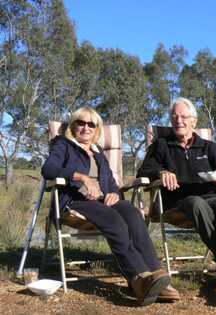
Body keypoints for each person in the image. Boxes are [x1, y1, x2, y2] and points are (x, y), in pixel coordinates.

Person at [41, 107, 180, 306]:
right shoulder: (63, 145)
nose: (86, 127)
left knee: (133, 213)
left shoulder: (99, 154)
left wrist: (115, 194)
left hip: (102, 201)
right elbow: (48, 169)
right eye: (81, 122)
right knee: (114, 219)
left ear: (97, 129)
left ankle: (156, 276)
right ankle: (138, 279)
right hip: (76, 200)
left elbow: (112, 185)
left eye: (92, 124)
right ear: (73, 126)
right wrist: (82, 178)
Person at [137, 97, 216, 304]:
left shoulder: (208, 147)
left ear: (194, 121)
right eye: (174, 117)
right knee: (196, 202)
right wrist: (160, 172)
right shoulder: (161, 145)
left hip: (213, 196)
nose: (179, 121)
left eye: (184, 117)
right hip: (180, 201)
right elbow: (143, 171)